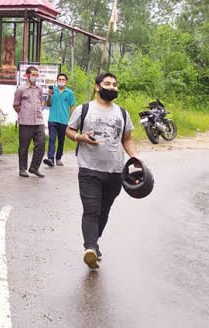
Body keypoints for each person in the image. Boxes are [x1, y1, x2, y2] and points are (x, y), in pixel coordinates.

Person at [65, 72, 139, 270]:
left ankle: (94, 243)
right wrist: (81, 138)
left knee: (104, 212)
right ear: (98, 87)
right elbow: (70, 130)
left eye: (115, 84)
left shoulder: (122, 113)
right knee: (92, 210)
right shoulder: (84, 109)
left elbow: (127, 139)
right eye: (108, 84)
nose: (112, 87)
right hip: (89, 169)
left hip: (115, 171)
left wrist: (134, 157)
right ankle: (89, 248)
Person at [12, 66, 46, 178]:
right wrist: (23, 114)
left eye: (37, 75)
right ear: (27, 75)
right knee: (24, 146)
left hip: (39, 121)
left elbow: (40, 101)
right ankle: (22, 169)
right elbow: (16, 105)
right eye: (33, 74)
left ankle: (34, 168)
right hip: (25, 122)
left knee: (41, 144)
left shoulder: (39, 88)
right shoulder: (21, 89)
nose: (35, 77)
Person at [44, 73, 76, 167]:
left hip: (64, 121)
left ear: (66, 81)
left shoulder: (69, 93)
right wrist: (49, 96)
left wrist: (71, 120)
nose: (61, 81)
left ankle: (58, 158)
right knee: (52, 139)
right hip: (53, 119)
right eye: (59, 79)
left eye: (63, 80)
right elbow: (48, 104)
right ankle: (50, 159)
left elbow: (72, 107)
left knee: (61, 141)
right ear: (57, 80)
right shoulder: (52, 90)